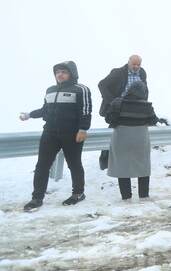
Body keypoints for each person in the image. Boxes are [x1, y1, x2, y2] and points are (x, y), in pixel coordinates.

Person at [20, 61, 92, 211]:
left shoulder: (81, 89)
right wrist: (29, 115)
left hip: (71, 133)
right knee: (42, 165)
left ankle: (78, 193)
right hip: (50, 132)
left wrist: (83, 129)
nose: (60, 74)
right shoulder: (50, 90)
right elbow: (45, 110)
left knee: (74, 164)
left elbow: (85, 111)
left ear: (72, 73)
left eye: (64, 71)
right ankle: (37, 198)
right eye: (57, 72)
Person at [106, 81, 158, 200]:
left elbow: (109, 119)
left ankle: (126, 196)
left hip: (121, 138)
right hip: (140, 139)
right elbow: (153, 120)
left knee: (122, 166)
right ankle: (144, 195)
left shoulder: (118, 103)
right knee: (142, 166)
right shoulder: (147, 106)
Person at [98, 55, 148, 170]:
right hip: (119, 108)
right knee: (113, 132)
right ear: (128, 62)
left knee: (132, 134)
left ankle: (128, 159)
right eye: (134, 64)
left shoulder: (142, 72)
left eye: (138, 64)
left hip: (135, 108)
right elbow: (102, 85)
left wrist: (144, 103)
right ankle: (104, 161)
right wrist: (112, 101)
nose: (136, 67)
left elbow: (145, 87)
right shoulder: (118, 73)